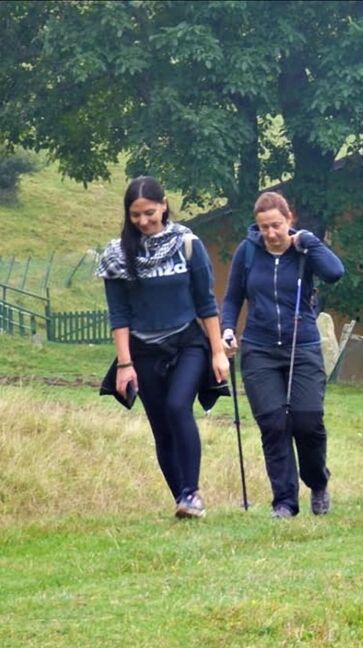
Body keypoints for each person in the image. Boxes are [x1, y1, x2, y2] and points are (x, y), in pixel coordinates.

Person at [97, 176, 229, 519]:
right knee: (160, 425)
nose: (143, 221)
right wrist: (125, 365)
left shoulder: (188, 244)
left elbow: (206, 302)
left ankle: (192, 491)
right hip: (143, 351)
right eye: (135, 215)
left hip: (187, 344)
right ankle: (182, 501)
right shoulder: (116, 255)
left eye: (150, 213)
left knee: (176, 407)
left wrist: (217, 351)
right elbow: (119, 314)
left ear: (165, 205)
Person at [221, 192, 344, 519]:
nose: (271, 233)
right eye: (264, 227)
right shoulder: (247, 252)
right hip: (259, 349)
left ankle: (317, 482)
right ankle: (285, 502)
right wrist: (227, 330)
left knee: (307, 421)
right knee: (274, 425)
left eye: (276, 225)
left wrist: (310, 241)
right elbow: (232, 299)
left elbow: (335, 273)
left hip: (302, 347)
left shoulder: (305, 251)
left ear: (289, 220)